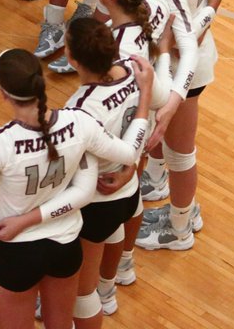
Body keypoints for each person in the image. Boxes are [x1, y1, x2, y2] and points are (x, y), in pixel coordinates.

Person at [0, 49, 153, 329]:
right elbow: (125, 157)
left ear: (3, 93)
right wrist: (145, 96)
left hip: (14, 253)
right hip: (66, 246)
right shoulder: (79, 123)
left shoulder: (0, 142)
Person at [122, 0, 224, 253]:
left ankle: (179, 228)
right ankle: (182, 211)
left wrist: (211, 8)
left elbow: (187, 41)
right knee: (176, 151)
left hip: (185, 69)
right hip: (189, 63)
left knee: (180, 154)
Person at [63, 17, 164, 320]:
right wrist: (132, 168)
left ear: (73, 59)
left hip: (98, 200)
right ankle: (108, 290)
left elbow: (69, 167)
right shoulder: (135, 71)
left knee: (83, 293)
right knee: (116, 231)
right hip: (129, 187)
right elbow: (158, 104)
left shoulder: (79, 108)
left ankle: (96, 297)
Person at [92, 0, 179, 300]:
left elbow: (156, 94)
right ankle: (123, 267)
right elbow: (159, 93)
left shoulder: (117, 54)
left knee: (108, 212)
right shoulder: (155, 5)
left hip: (121, 133)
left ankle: (100, 287)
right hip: (138, 128)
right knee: (132, 200)